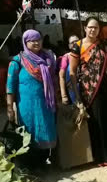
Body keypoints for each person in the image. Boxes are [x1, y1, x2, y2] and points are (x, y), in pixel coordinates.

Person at [69, 17, 107, 168]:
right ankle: (98, 157)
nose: (93, 30)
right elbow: (72, 72)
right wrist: (77, 95)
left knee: (106, 120)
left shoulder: (104, 45)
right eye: (90, 27)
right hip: (87, 90)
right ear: (85, 28)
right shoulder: (77, 47)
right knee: (94, 123)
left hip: (104, 87)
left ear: (99, 30)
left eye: (96, 28)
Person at [6, 29, 56, 169]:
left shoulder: (47, 59)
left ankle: (43, 160)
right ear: (25, 42)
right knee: (29, 133)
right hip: (26, 107)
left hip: (46, 104)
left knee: (45, 129)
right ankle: (30, 165)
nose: (36, 42)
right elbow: (10, 85)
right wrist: (10, 107)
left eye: (38, 39)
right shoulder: (17, 61)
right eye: (32, 40)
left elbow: (55, 79)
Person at [58, 35, 79, 104]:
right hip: (73, 90)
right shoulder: (66, 57)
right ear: (69, 46)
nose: (75, 43)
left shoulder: (84, 54)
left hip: (86, 89)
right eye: (72, 42)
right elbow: (61, 76)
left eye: (77, 41)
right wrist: (64, 96)